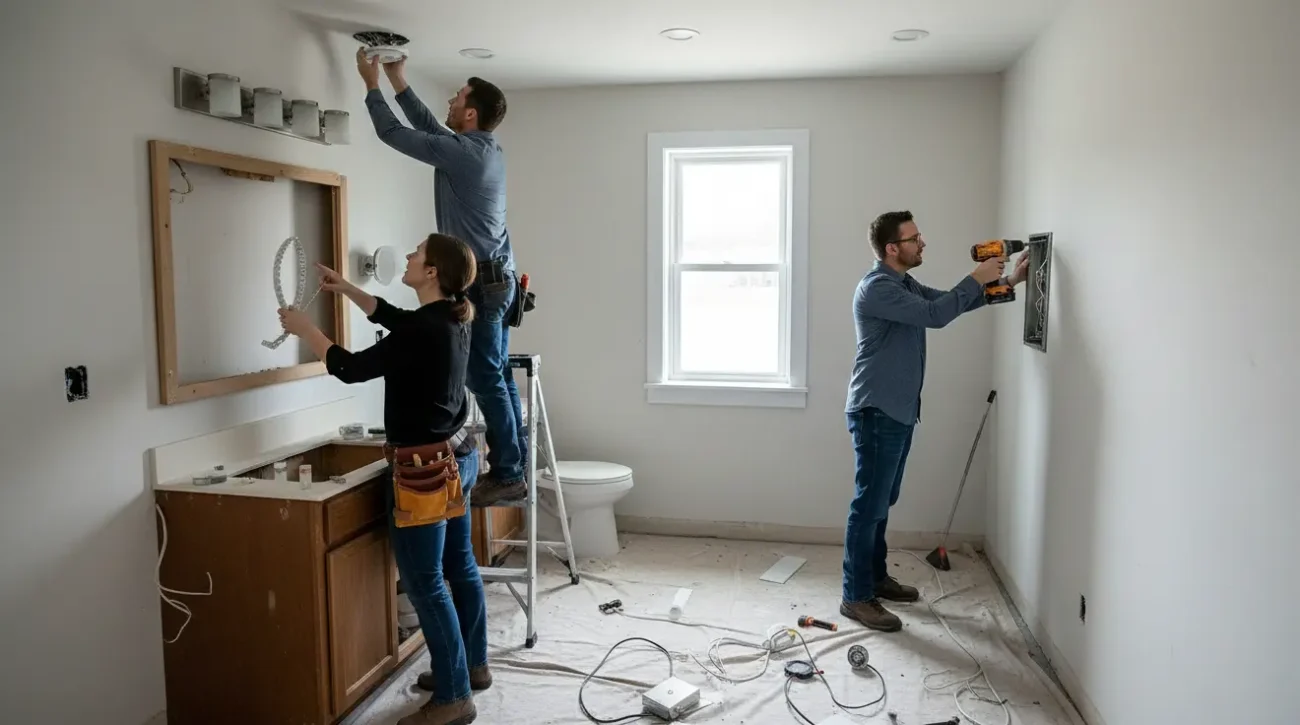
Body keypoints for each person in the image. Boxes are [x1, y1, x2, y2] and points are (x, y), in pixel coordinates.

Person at [278, 233, 489, 725]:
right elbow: (395, 318)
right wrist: (347, 288)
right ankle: (470, 668)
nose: (410, 256)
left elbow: (349, 369)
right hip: (458, 456)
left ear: (432, 271)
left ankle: (455, 696)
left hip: (425, 474)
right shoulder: (451, 315)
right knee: (459, 567)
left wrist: (305, 329)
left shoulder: (427, 328)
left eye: (417, 254)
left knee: (426, 583)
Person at [840, 211, 1029, 632]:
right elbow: (938, 316)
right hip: (876, 410)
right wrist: (977, 274)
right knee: (868, 506)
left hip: (898, 409)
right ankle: (855, 597)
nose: (922, 243)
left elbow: (947, 302)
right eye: (914, 238)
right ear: (893, 248)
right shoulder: (877, 289)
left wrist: (1008, 283)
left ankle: (875, 579)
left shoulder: (903, 284)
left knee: (881, 503)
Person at [356, 48, 528, 509]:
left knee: (486, 378)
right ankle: (516, 465)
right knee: (496, 379)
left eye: (457, 97)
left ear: (470, 113)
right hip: (497, 280)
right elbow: (431, 130)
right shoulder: (480, 149)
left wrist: (370, 84)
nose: (450, 101)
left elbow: (393, 133)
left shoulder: (465, 154)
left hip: (483, 285)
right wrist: (398, 80)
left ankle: (510, 472)